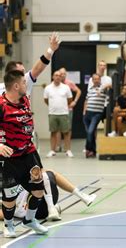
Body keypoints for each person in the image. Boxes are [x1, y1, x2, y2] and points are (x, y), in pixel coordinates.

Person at [0, 70, 49, 237]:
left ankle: (30, 220)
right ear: (15, 86)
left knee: (38, 190)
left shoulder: (25, 99)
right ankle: (8, 225)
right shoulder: (2, 105)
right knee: (9, 196)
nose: (25, 85)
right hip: (9, 158)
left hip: (28, 153)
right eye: (23, 82)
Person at [0, 169, 96, 222]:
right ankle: (53, 208)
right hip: (33, 209)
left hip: (36, 204)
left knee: (45, 174)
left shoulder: (11, 175)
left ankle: (52, 208)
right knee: (48, 174)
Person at [43, 71, 73, 158]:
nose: (58, 77)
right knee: (53, 132)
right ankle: (52, 150)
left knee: (66, 132)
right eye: (56, 75)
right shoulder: (48, 88)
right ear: (53, 77)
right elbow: (46, 100)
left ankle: (68, 150)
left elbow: (70, 99)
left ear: (61, 77)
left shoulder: (66, 87)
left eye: (59, 76)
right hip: (52, 113)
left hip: (64, 113)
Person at [83, 74, 109, 158]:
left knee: (90, 131)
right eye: (94, 79)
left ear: (100, 80)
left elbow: (110, 85)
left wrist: (101, 88)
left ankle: (87, 149)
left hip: (97, 113)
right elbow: (86, 100)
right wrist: (84, 112)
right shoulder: (90, 89)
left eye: (98, 79)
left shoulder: (103, 89)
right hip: (87, 113)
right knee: (89, 133)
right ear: (92, 80)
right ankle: (93, 151)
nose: (96, 80)